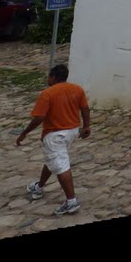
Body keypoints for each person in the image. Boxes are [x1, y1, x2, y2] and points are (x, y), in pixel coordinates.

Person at [16, 64, 91, 215]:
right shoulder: (77, 89)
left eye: (49, 76)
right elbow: (85, 109)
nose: (48, 79)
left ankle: (71, 201)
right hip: (72, 131)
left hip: (55, 134)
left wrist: (24, 132)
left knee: (61, 165)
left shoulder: (47, 93)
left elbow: (39, 118)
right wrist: (86, 126)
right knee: (52, 159)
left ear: (54, 77)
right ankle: (40, 186)